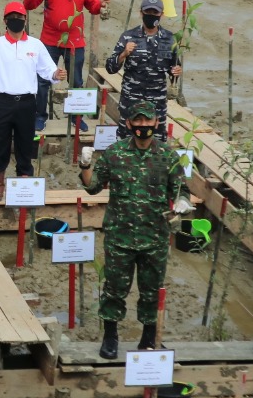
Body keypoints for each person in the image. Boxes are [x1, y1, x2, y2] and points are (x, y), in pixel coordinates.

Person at [79, 101, 189, 359]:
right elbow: (93, 187)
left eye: (147, 122)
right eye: (137, 122)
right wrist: (85, 167)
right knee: (114, 289)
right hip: (120, 236)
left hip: (155, 237)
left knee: (152, 289)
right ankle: (110, 337)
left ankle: (148, 338)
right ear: (128, 124)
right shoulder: (115, 154)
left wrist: (183, 202)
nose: (142, 127)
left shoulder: (168, 156)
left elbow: (180, 189)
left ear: (156, 123)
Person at [0, 2, 64, 202]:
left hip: (26, 102)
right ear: (5, 21)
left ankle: (24, 181)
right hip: (2, 101)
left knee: (25, 142)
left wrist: (56, 73)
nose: (17, 20)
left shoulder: (35, 44)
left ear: (25, 20)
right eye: (12, 17)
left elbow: (47, 69)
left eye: (20, 17)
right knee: (0, 143)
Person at [24, 0, 109, 132]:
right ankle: (40, 116)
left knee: (76, 80)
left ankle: (76, 118)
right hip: (49, 40)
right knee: (43, 80)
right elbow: (29, 5)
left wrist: (101, 4)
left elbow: (92, 6)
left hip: (75, 42)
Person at [105, 0, 180, 139]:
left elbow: (174, 67)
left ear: (161, 14)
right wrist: (123, 54)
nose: (151, 16)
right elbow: (110, 68)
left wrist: (176, 71)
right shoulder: (128, 37)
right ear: (141, 13)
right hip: (131, 101)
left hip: (156, 103)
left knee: (156, 143)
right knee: (126, 141)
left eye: (155, 13)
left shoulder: (170, 39)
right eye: (148, 12)